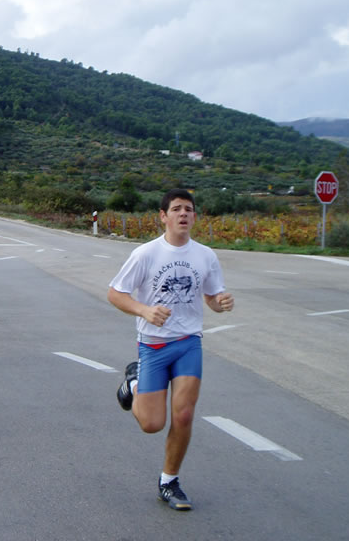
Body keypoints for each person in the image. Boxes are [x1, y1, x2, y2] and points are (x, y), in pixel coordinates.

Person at [108, 188, 234, 511]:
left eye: (188, 209)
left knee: (185, 413)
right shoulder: (146, 254)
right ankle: (134, 382)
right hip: (153, 345)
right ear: (163, 216)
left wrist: (220, 303)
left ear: (194, 216)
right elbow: (115, 293)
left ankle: (169, 481)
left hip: (189, 342)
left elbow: (211, 296)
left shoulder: (205, 255)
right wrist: (144, 311)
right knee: (151, 424)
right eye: (176, 209)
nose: (183, 214)